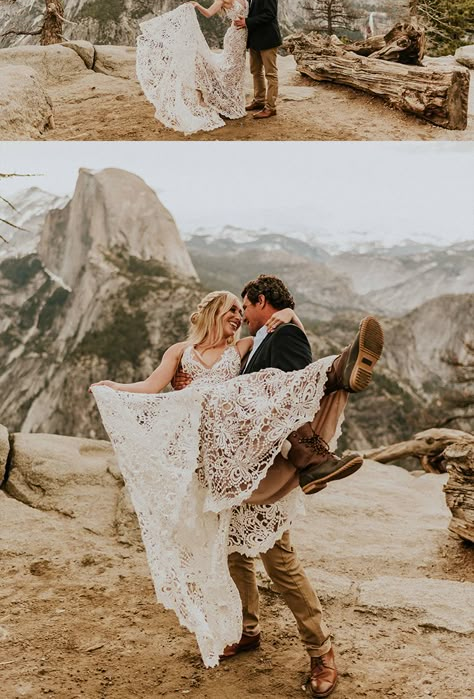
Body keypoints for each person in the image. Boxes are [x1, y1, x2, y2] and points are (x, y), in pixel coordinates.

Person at [91, 285, 383, 676]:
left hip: (249, 464)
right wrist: (115, 390)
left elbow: (281, 363)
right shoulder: (179, 352)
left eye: (241, 309)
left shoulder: (243, 348)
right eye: (232, 308)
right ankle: (247, 630)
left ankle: (321, 651)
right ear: (212, 310)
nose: (239, 316)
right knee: (233, 553)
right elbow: (150, 387)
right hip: (211, 468)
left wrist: (291, 317)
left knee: (279, 559)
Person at [135, 0, 249, 135]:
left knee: (237, 70)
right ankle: (225, 102)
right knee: (231, 68)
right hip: (234, 37)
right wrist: (197, 5)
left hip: (243, 35)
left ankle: (234, 102)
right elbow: (209, 13)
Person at [234, 0, 283, 120]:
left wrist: (247, 22)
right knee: (256, 72)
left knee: (270, 74)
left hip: (268, 39)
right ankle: (259, 100)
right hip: (255, 39)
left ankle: (270, 107)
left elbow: (270, 14)